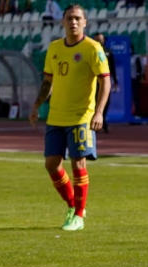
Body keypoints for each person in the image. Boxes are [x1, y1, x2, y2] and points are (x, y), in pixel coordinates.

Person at [29, 4, 109, 232]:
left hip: (81, 117)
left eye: (77, 18)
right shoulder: (54, 48)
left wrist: (99, 112)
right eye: (69, 19)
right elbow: (48, 82)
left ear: (85, 22)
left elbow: (106, 81)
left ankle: (79, 215)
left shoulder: (93, 48)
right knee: (51, 164)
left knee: (78, 163)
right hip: (56, 116)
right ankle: (73, 205)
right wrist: (36, 106)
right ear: (62, 22)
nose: (73, 22)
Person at [92, 32, 116, 133]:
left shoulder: (108, 51)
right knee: (94, 101)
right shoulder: (91, 51)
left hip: (105, 80)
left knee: (106, 101)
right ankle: (94, 122)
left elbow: (112, 66)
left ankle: (103, 121)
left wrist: (115, 80)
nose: (99, 41)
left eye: (101, 39)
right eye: (97, 39)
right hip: (94, 81)